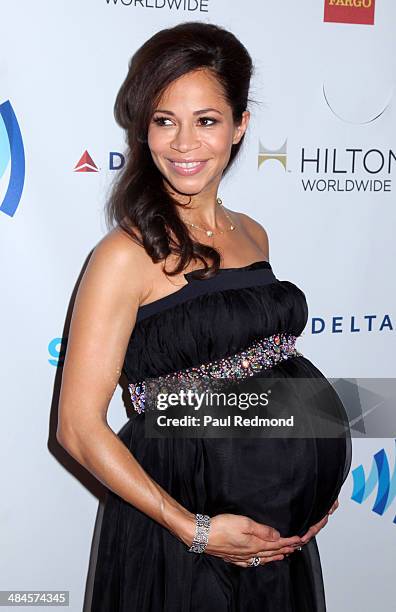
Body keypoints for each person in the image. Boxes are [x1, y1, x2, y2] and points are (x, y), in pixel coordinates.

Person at [57, 21, 351, 611]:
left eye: (207, 121)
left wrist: (310, 486)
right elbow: (77, 429)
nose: (183, 144)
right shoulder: (126, 254)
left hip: (276, 538)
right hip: (181, 537)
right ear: (145, 129)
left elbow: (270, 378)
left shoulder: (254, 235)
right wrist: (195, 529)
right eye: (165, 120)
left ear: (240, 125)